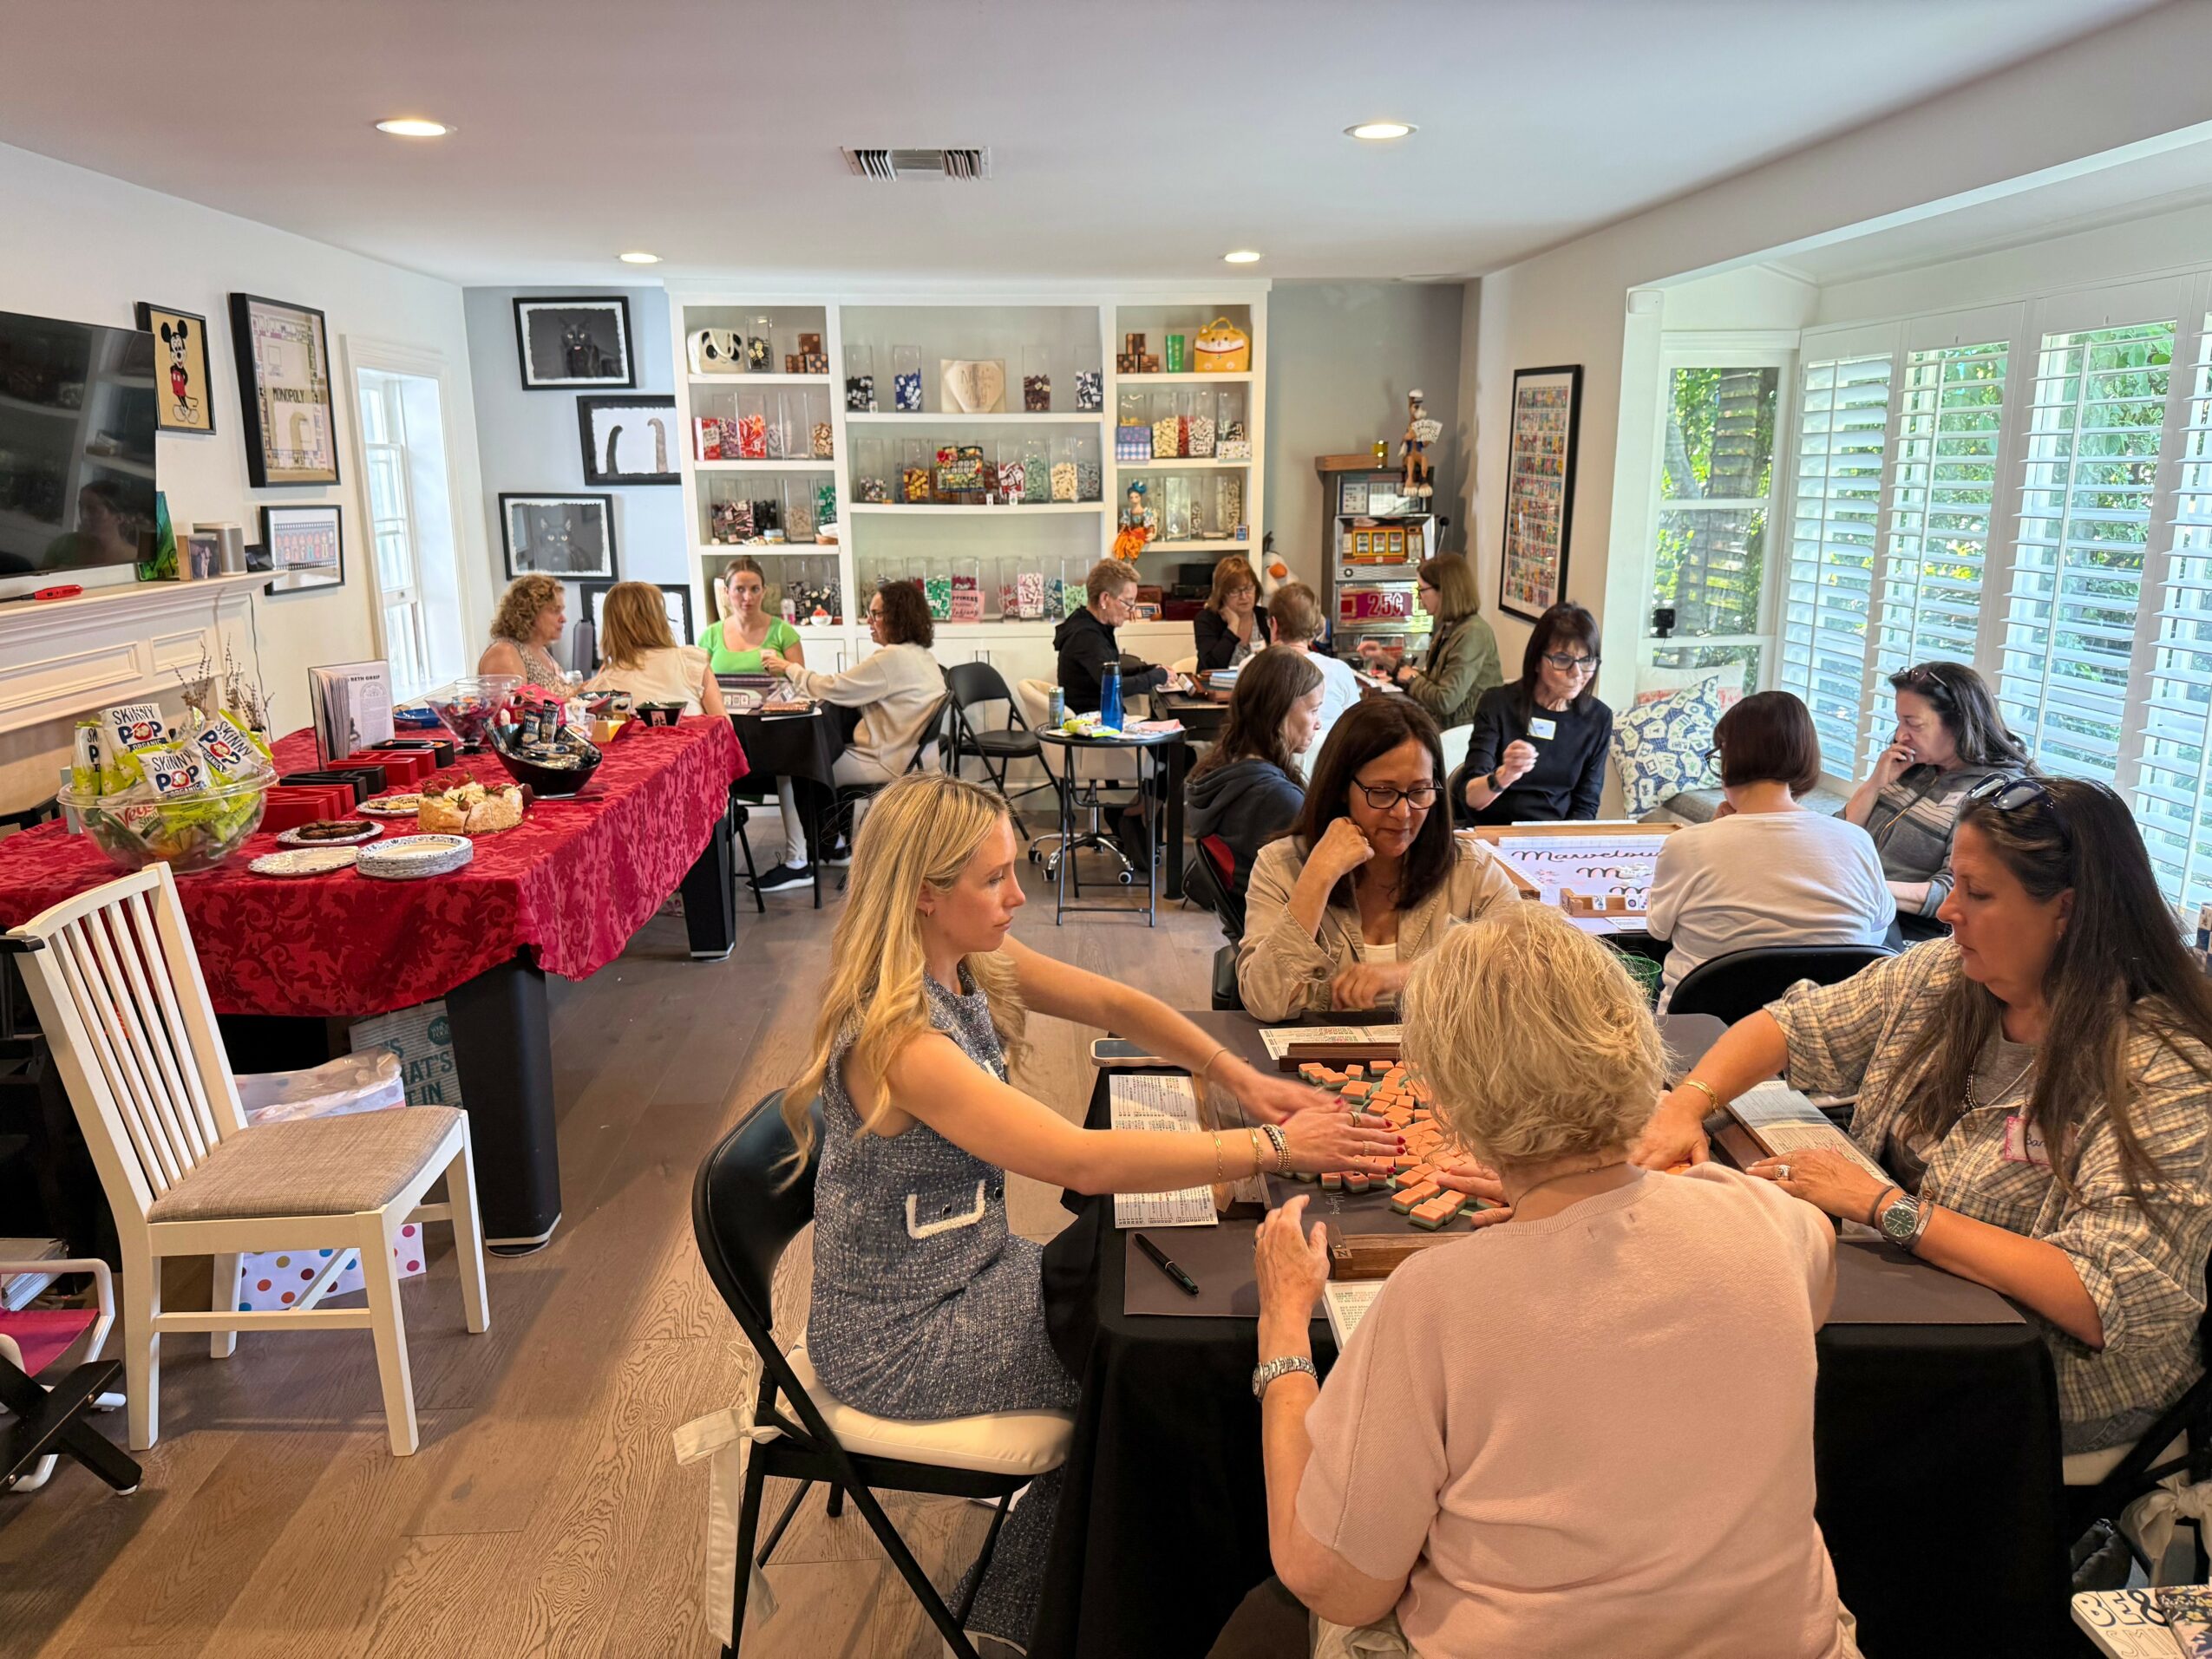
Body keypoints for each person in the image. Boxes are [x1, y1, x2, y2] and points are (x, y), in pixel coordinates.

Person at [789, 772, 1398, 1655]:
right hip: (901, 1336)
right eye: (995, 878)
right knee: (1146, 1382)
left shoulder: (961, 961)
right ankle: (1078, 1615)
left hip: (970, 1275)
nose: (1017, 894)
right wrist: (1274, 1149)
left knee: (1137, 1337)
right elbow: (1078, 1159)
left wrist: (1239, 1077)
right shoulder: (903, 1040)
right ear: (926, 894)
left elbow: (1115, 1003)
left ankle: (1036, 1603)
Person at [1242, 904, 1860, 1659]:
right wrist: (1603, 1198)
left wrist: (1282, 1341)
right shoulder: (1771, 1220)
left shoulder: (1434, 1299)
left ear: (1453, 1099)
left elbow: (1333, 1579)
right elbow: (1817, 1260)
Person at [1634, 778, 2212, 1456]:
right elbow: (1791, 1026)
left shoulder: (2160, 1066)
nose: (1948, 913)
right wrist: (1684, 1104)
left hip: (2043, 1382)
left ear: (2067, 911)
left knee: (1729, 1382)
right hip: (1930, 1314)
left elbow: (2100, 1294)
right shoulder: (1950, 977)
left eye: (1979, 893)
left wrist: (1889, 1208)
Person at [1239, 698, 1519, 1021]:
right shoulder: (1281, 865)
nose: (1403, 814)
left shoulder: (1471, 869)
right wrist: (1318, 877)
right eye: (1383, 792)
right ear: (1342, 787)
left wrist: (1410, 974)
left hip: (1442, 1066)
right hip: (1317, 1064)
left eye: (1419, 792)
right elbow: (1265, 1001)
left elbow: (1526, 973)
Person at [1646, 691, 1893, 1009]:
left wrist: (1711, 832)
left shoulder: (1688, 845)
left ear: (1728, 759)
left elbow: (1658, 929)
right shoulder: (1856, 841)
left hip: (1704, 1036)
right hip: (1825, 1037)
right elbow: (1875, 933)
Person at [754, 580, 946, 892]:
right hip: (918, 758)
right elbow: (849, 690)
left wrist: (789, 668)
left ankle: (799, 862)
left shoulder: (891, 659)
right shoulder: (921, 655)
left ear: (896, 616)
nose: (869, 622)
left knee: (799, 766)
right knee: (823, 752)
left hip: (889, 761)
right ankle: (835, 845)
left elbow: (833, 687)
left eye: (875, 614)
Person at [1842, 661, 2032, 927]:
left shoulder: (1993, 794)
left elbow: (1954, 894)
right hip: (1855, 903)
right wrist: (1875, 784)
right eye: (1899, 721)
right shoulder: (1912, 764)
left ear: (1958, 724)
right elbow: (1838, 837)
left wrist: (1857, 887)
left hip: (1903, 925)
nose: (1900, 735)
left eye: (1913, 723)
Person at [1448, 602, 1613, 826]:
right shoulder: (1498, 704)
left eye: (1586, 661)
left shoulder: (1598, 718)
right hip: (1492, 830)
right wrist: (1505, 774)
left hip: (1552, 838)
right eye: (1563, 660)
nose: (1577, 673)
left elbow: (1586, 805)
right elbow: (1471, 799)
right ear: (1536, 660)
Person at [1186, 648, 1324, 898]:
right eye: (1313, 710)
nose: (1318, 723)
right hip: (1282, 928)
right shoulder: (1278, 798)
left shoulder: (1221, 772)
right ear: (1280, 710)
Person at [1358, 554, 1500, 730]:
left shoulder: (1473, 633)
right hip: (1446, 726)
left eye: (1422, 590)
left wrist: (1411, 678)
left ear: (1445, 591)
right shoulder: (1450, 627)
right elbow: (1435, 683)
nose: (1418, 598)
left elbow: (1445, 701)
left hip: (1465, 735)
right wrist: (1389, 663)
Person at [582, 581, 724, 717]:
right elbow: (724, 727)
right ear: (658, 619)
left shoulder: (602, 687)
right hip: (697, 742)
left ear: (610, 627)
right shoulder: (690, 662)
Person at [1265, 582, 1363, 769]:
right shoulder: (1340, 670)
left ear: (1274, 624)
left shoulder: (1252, 667)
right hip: (1328, 772)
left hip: (1271, 771)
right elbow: (1357, 730)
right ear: (1317, 626)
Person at [1053, 558, 1170, 715]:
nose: (1131, 610)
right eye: (1128, 602)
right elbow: (1114, 686)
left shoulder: (1092, 625)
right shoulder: (1086, 636)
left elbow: (1111, 671)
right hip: (1091, 728)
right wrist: (1159, 676)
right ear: (1105, 599)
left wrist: (1149, 670)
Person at [700, 556, 804, 675]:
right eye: (740, 589)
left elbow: (802, 684)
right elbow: (698, 686)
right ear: (726, 592)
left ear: (764, 591)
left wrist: (786, 667)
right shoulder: (710, 636)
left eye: (755, 589)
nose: (748, 597)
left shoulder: (783, 632)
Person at [481, 573, 571, 691]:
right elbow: (514, 708)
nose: (563, 619)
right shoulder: (504, 653)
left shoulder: (540, 650)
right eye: (555, 611)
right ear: (529, 613)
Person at [1193, 555, 1269, 675]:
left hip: (1260, 689)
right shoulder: (1206, 620)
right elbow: (1212, 666)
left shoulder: (1265, 617)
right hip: (1217, 690)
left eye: (1248, 588)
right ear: (1221, 594)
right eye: (1235, 591)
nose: (1244, 596)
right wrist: (1233, 626)